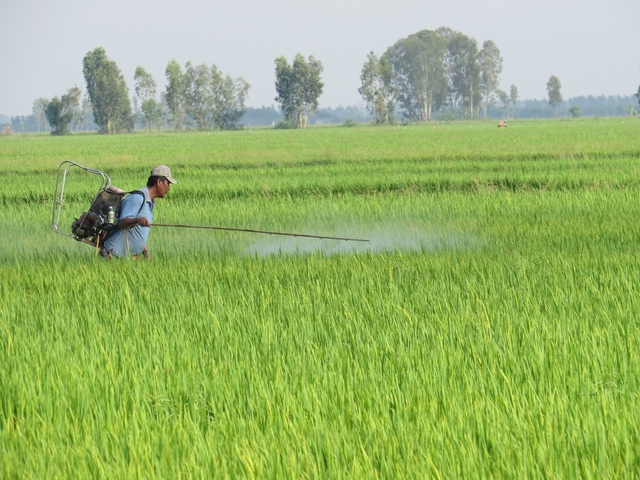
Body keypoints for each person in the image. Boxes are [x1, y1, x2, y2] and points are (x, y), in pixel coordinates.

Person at [102, 165, 177, 259]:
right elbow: (122, 223)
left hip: (126, 257)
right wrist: (138, 220)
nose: (169, 188)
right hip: (113, 255)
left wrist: (145, 251)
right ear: (159, 182)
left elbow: (137, 231)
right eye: (168, 183)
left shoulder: (149, 202)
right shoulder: (137, 198)